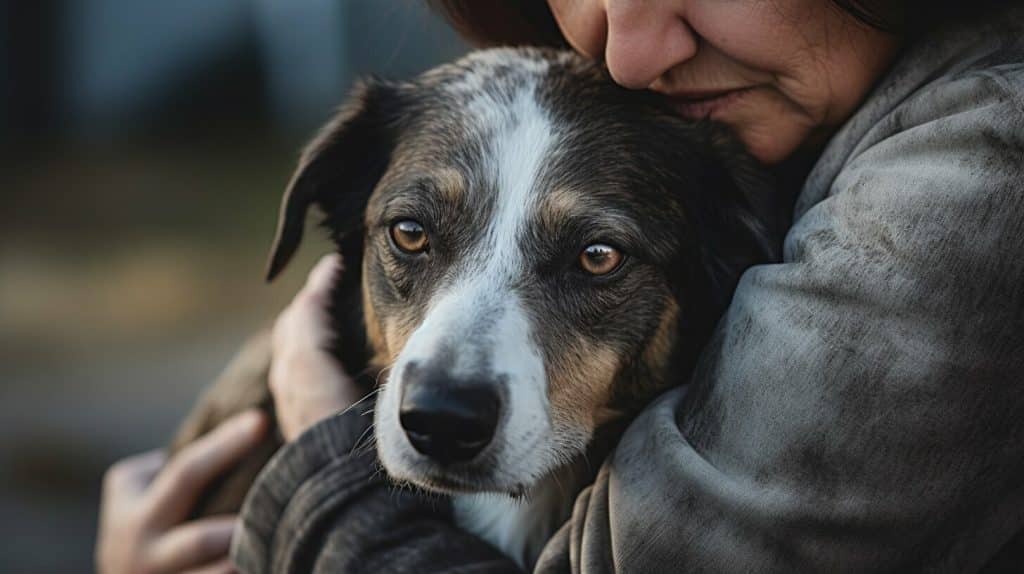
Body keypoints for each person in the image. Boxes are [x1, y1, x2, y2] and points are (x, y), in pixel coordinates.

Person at [97, 0, 1024, 571]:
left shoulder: (968, 172)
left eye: (594, 260)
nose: (626, 50)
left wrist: (324, 464)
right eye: (415, 235)